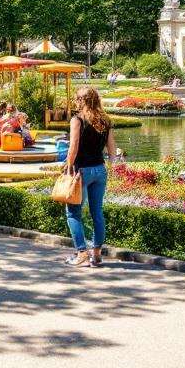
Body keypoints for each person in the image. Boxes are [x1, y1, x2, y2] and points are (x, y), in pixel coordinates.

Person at [62, 87, 122, 268]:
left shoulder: (77, 120)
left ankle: (81, 253)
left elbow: (73, 146)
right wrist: (110, 167)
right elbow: (112, 151)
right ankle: (96, 255)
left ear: (82, 100)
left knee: (73, 212)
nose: (75, 101)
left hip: (82, 171)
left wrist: (68, 166)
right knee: (97, 212)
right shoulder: (105, 120)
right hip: (99, 170)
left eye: (77, 99)